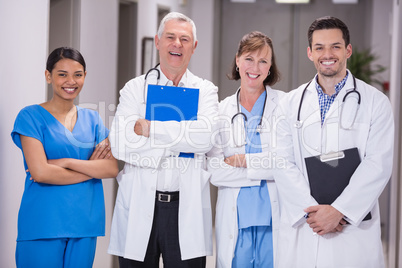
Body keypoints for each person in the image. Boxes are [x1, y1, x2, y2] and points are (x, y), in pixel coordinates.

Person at [271, 16, 394, 267]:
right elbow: (282, 162)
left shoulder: (376, 103)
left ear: (347, 50)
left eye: (335, 46)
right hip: (306, 227)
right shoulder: (289, 104)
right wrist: (315, 214)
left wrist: (339, 211)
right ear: (310, 53)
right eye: (319, 47)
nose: (327, 54)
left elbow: (378, 165)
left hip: (352, 231)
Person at [107, 12, 218, 268]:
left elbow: (204, 139)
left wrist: (149, 129)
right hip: (139, 205)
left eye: (184, 39)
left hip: (184, 209)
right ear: (158, 41)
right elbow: (121, 144)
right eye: (170, 37)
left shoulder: (206, 90)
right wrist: (182, 139)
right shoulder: (135, 88)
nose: (176, 44)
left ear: (194, 46)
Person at [11, 47, 119, 268]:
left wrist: (66, 163)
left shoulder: (93, 119)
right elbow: (40, 173)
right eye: (62, 74)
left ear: (85, 77)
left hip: (84, 225)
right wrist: (90, 168)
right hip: (42, 223)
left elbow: (111, 169)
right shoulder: (30, 117)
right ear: (48, 76)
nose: (71, 81)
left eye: (78, 74)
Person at [207, 31, 283, 268]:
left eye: (263, 61)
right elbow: (215, 171)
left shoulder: (285, 105)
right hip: (236, 217)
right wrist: (266, 165)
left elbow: (286, 163)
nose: (255, 67)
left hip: (274, 216)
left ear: (270, 67)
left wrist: (243, 160)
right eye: (249, 58)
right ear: (238, 60)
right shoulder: (219, 110)